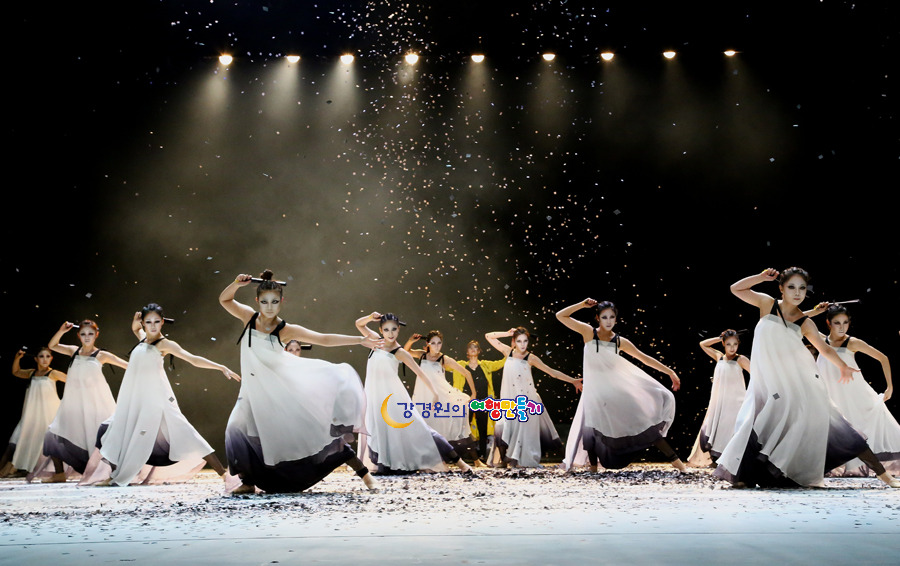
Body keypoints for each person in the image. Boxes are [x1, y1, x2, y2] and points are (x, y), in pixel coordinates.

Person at [715, 267, 899, 488]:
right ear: (781, 288)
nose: (797, 292)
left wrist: (843, 366)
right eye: (791, 287)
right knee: (756, 425)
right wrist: (761, 278)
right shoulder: (767, 304)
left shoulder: (805, 322)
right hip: (768, 386)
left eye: (802, 288)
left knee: (836, 424)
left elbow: (826, 350)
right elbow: (736, 288)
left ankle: (885, 476)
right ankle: (751, 476)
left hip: (799, 384)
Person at [219, 271, 381, 494]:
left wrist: (360, 339)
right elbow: (225, 299)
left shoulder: (286, 329)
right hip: (250, 393)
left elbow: (322, 338)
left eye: (274, 302)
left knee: (319, 431)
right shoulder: (248, 318)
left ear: (281, 302)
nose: (269, 307)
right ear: (257, 301)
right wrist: (236, 284)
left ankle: (365, 475)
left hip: (279, 392)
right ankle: (248, 482)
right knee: (235, 430)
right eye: (264, 302)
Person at [90, 304, 239, 487]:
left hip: (158, 399)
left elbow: (192, 359)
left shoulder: (165, 344)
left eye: (156, 322)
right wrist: (136, 322)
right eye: (148, 322)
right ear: (144, 323)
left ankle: (223, 474)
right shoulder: (143, 339)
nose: (152, 326)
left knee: (185, 432)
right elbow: (135, 328)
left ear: (162, 322)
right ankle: (115, 475)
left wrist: (221, 367)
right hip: (138, 399)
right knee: (116, 429)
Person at [555, 300, 685, 473]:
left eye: (612, 317)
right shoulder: (588, 332)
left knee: (643, 424)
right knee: (590, 430)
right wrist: (581, 305)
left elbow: (643, 358)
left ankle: (677, 462)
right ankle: (593, 468)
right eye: (604, 317)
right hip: (594, 393)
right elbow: (560, 316)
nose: (608, 321)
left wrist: (670, 372)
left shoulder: (619, 341)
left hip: (614, 392)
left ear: (616, 319)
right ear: (597, 318)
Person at [356, 312, 473, 474]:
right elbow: (359, 324)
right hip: (374, 398)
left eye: (394, 329)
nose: (391, 333)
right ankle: (393, 462)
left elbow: (420, 373)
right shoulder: (376, 340)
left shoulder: (400, 352)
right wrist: (370, 317)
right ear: (381, 330)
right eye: (387, 329)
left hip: (393, 397)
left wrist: (435, 393)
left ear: (398, 330)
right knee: (379, 434)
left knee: (420, 429)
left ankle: (461, 464)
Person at [29, 321, 128, 482]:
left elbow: (128, 366)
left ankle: (114, 474)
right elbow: (52, 345)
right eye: (83, 334)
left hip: (97, 403)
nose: (87, 337)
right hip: (74, 405)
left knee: (105, 438)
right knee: (52, 434)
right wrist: (61, 330)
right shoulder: (73, 351)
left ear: (97, 334)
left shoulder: (101, 355)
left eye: (90, 333)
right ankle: (60, 474)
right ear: (78, 336)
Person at [816, 304, 899, 476]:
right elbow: (797, 321)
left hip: (855, 395)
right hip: (831, 396)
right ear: (828, 323)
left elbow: (883, 358)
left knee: (864, 426)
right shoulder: (820, 341)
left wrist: (890, 386)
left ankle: (878, 468)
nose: (842, 327)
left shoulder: (852, 342)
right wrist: (816, 311)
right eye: (837, 323)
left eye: (845, 322)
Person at [484, 327, 581, 468]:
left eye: (525, 341)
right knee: (501, 426)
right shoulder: (508, 352)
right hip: (509, 401)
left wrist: (573, 380)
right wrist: (507, 333)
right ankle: (504, 460)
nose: (522, 344)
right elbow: (488, 335)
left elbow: (552, 372)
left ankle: (567, 459)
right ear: (514, 341)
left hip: (526, 401)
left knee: (545, 430)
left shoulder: (531, 358)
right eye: (519, 341)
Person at [405, 331, 482, 466]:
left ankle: (476, 460)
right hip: (423, 397)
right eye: (433, 343)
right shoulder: (421, 355)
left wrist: (473, 394)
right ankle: (434, 460)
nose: (437, 346)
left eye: (439, 343)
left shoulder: (444, 359)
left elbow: (466, 373)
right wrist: (411, 340)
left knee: (458, 425)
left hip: (441, 397)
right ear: (427, 344)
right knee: (425, 426)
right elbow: (405, 352)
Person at [687, 330, 750, 467]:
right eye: (728, 344)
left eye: (735, 344)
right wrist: (719, 337)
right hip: (719, 401)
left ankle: (730, 460)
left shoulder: (740, 360)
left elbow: (757, 375)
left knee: (731, 429)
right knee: (716, 428)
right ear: (723, 344)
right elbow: (703, 344)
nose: (732, 347)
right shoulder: (719, 357)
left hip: (736, 401)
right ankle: (716, 460)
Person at [0, 348, 65, 478]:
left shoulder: (53, 374)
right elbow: (16, 371)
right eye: (41, 356)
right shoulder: (31, 373)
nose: (45, 359)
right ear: (36, 359)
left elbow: (72, 381)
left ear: (51, 358)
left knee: (50, 443)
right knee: (14, 441)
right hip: (30, 417)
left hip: (47, 414)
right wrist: (17, 358)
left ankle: (59, 473)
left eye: (48, 356)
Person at [452, 340, 505, 465]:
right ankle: (462, 455)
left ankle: (481, 455)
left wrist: (508, 350)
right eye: (470, 347)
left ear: (479, 351)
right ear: (467, 352)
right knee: (463, 428)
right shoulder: (460, 365)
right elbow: (445, 363)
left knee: (483, 429)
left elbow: (501, 363)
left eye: (476, 347)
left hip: (482, 402)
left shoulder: (485, 365)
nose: (473, 349)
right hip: (466, 401)